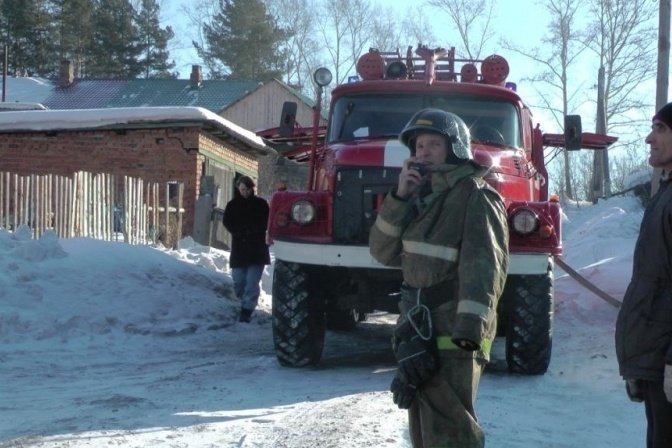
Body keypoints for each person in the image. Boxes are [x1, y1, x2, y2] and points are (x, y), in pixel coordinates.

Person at [369, 108, 509, 447]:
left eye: (433, 143)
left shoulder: (475, 195)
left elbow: (486, 267)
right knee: (423, 422)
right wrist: (400, 197)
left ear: (455, 147)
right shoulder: (419, 197)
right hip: (420, 325)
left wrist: (469, 334)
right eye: (418, 146)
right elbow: (382, 252)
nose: (423, 151)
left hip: (455, 331)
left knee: (450, 426)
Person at [615, 102, 672, 447]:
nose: (649, 138)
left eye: (661, 129)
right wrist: (642, 364)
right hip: (657, 359)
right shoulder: (665, 193)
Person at [223, 176, 270, 323]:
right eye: (242, 189)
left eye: (247, 189)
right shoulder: (232, 205)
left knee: (251, 282)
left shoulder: (261, 204)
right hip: (239, 249)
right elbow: (227, 221)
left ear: (252, 189)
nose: (245, 192)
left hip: (257, 249)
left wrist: (253, 229)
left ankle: (247, 310)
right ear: (238, 189)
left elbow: (266, 221)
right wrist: (238, 231)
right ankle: (242, 301)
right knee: (239, 281)